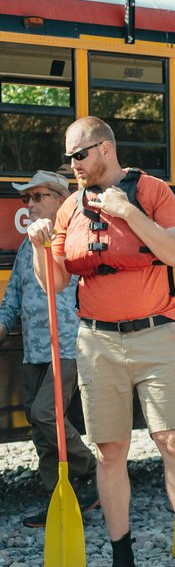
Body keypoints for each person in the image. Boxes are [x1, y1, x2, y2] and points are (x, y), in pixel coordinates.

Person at [27, 117, 175, 567]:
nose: (73, 165)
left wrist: (128, 212)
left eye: (80, 155)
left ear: (106, 148)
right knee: (109, 451)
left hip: (155, 336)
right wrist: (38, 247)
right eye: (69, 157)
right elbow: (53, 281)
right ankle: (122, 561)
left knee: (174, 443)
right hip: (95, 341)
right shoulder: (69, 209)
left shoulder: (153, 191)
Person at [1, 171, 99, 525]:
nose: (29, 204)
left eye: (37, 196)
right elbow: (14, 295)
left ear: (60, 199)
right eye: (25, 199)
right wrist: (2, 324)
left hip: (68, 346)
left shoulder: (75, 239)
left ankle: (90, 468)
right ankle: (57, 498)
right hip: (33, 350)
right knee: (38, 427)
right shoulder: (29, 245)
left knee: (46, 414)